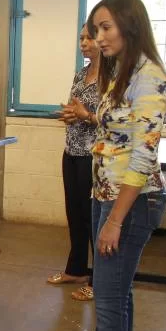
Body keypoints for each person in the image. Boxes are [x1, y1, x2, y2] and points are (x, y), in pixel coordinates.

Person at [55, 0, 166, 331]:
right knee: (118, 299)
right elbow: (111, 133)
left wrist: (115, 220)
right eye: (94, 29)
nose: (97, 37)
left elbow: (142, 157)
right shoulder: (121, 75)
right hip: (107, 193)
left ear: (130, 26)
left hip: (131, 202)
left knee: (107, 307)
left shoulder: (150, 81)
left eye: (105, 28)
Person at [49, 26, 102, 302]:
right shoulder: (81, 74)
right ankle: (77, 269)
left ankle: (98, 280)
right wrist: (71, 114)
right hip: (72, 151)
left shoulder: (112, 78)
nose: (83, 43)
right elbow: (77, 108)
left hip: (94, 155)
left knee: (94, 217)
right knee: (75, 213)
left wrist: (86, 115)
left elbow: (111, 119)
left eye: (89, 38)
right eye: (81, 37)